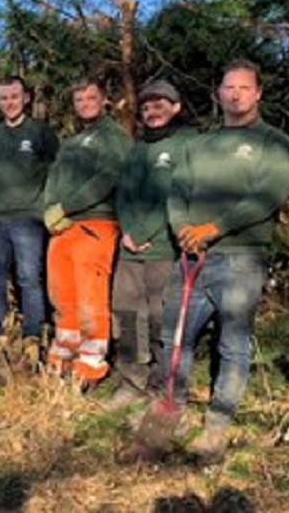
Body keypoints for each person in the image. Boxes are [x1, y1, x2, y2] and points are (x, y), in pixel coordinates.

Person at [163, 60, 289, 462]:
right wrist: (183, 228)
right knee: (175, 337)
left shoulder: (273, 142)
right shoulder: (199, 145)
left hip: (241, 259)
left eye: (244, 87)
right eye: (228, 87)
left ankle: (217, 427)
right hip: (191, 256)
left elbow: (268, 195)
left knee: (233, 344)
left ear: (257, 94)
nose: (235, 93)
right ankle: (172, 415)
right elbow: (177, 192)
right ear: (218, 93)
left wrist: (213, 227)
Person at [104, 80, 195, 412]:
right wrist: (128, 230)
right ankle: (131, 382)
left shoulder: (187, 144)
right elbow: (123, 193)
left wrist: (144, 231)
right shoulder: (137, 148)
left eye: (160, 104)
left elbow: (176, 194)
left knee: (161, 319)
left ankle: (161, 386)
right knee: (126, 314)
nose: (152, 111)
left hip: (164, 248)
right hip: (129, 249)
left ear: (176, 107)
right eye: (146, 106)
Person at [43, 78, 132, 388]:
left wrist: (67, 206)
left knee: (89, 296)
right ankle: (62, 356)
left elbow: (107, 177)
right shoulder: (70, 141)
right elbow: (53, 177)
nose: (85, 104)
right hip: (61, 228)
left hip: (95, 224)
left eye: (90, 98)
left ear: (103, 100)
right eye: (79, 99)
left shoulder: (114, 137)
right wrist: (49, 211)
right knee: (62, 294)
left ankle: (91, 364)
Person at [0, 76, 59, 349]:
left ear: (25, 98)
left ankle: (33, 334)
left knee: (29, 277)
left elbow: (55, 171)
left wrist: (45, 206)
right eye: (3, 98)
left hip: (29, 217)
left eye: (14, 97)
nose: (9, 103)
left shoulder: (40, 132)